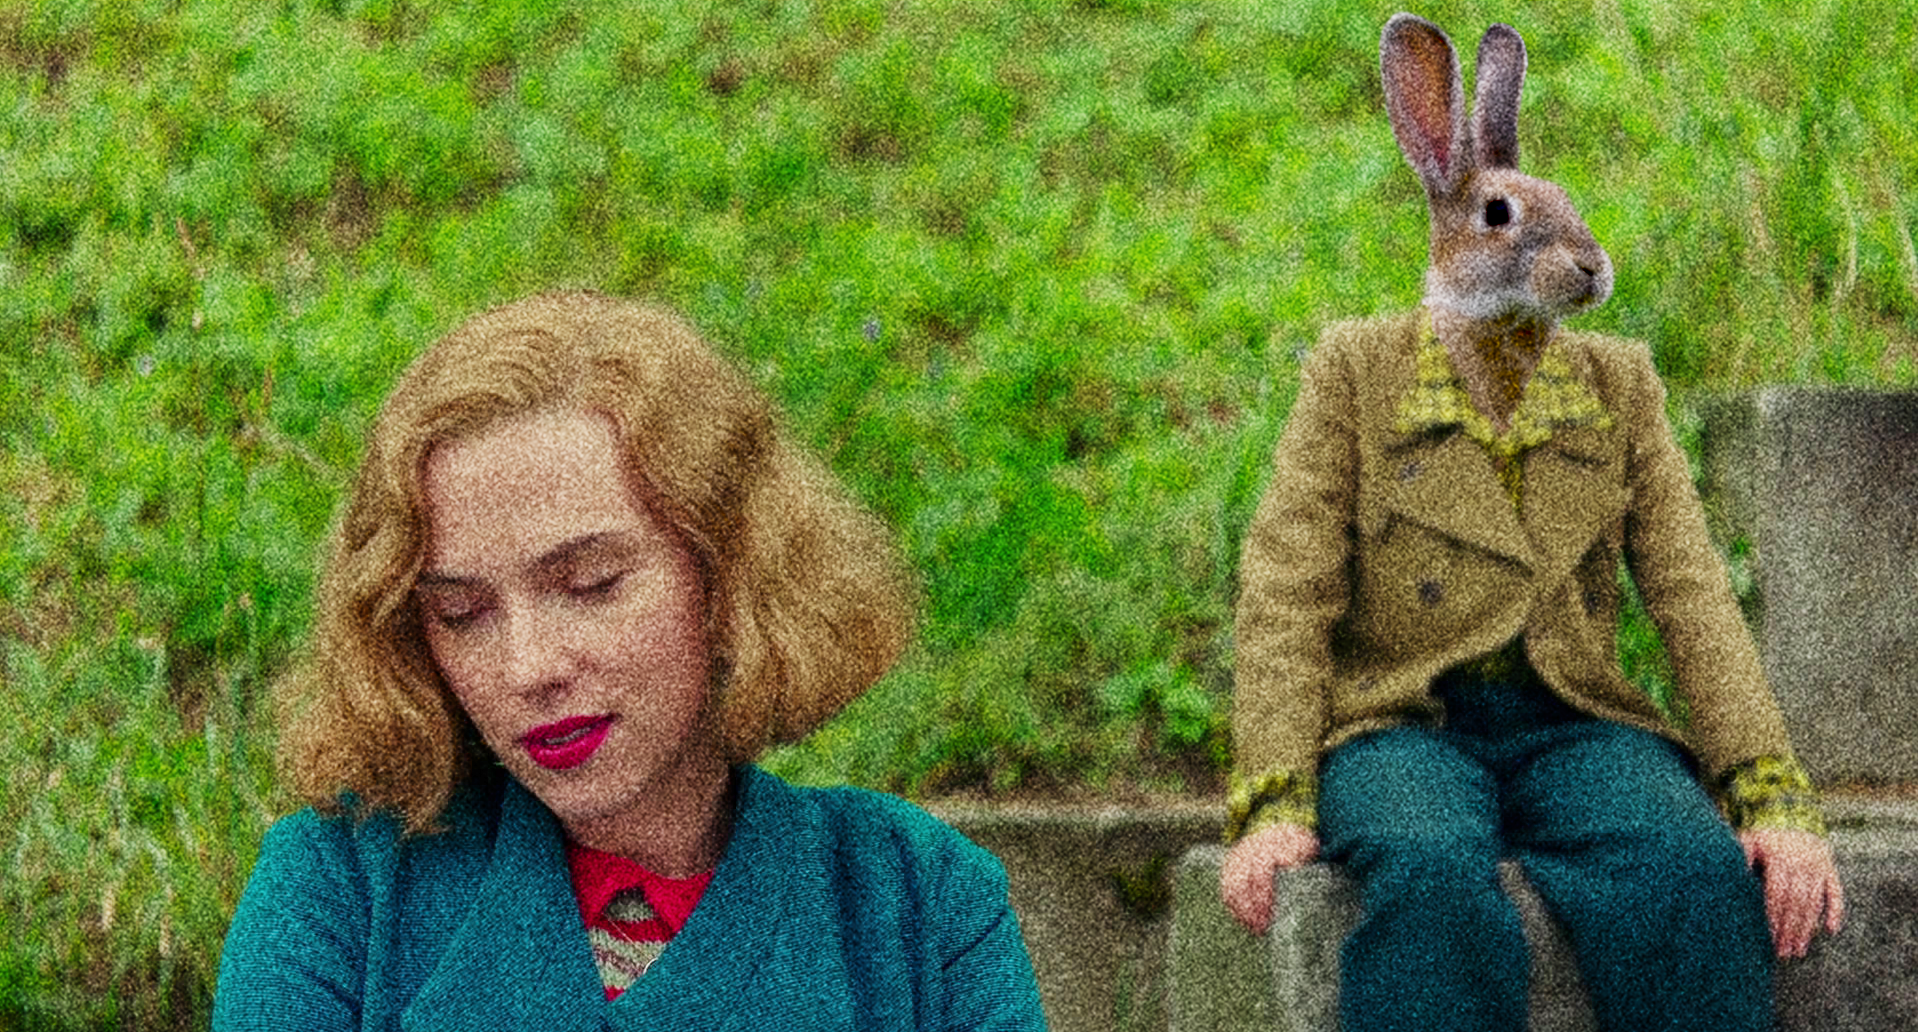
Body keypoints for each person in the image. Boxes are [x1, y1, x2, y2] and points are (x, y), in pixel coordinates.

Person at [1218, 14, 1843, 1032]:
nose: (1580, 259)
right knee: (1428, 873)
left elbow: (1690, 592)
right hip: (1401, 725)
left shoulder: (1616, 384)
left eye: (1575, 231)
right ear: (1451, 220)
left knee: (1687, 866)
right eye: (1511, 221)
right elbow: (1289, 590)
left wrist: (1768, 792)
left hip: (1570, 721)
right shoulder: (1357, 371)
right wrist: (1273, 801)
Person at [213, 291, 1048, 1031]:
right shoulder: (339, 889)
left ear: (728, 570)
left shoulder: (921, 905)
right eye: (461, 613)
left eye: (591, 584)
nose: (528, 667)